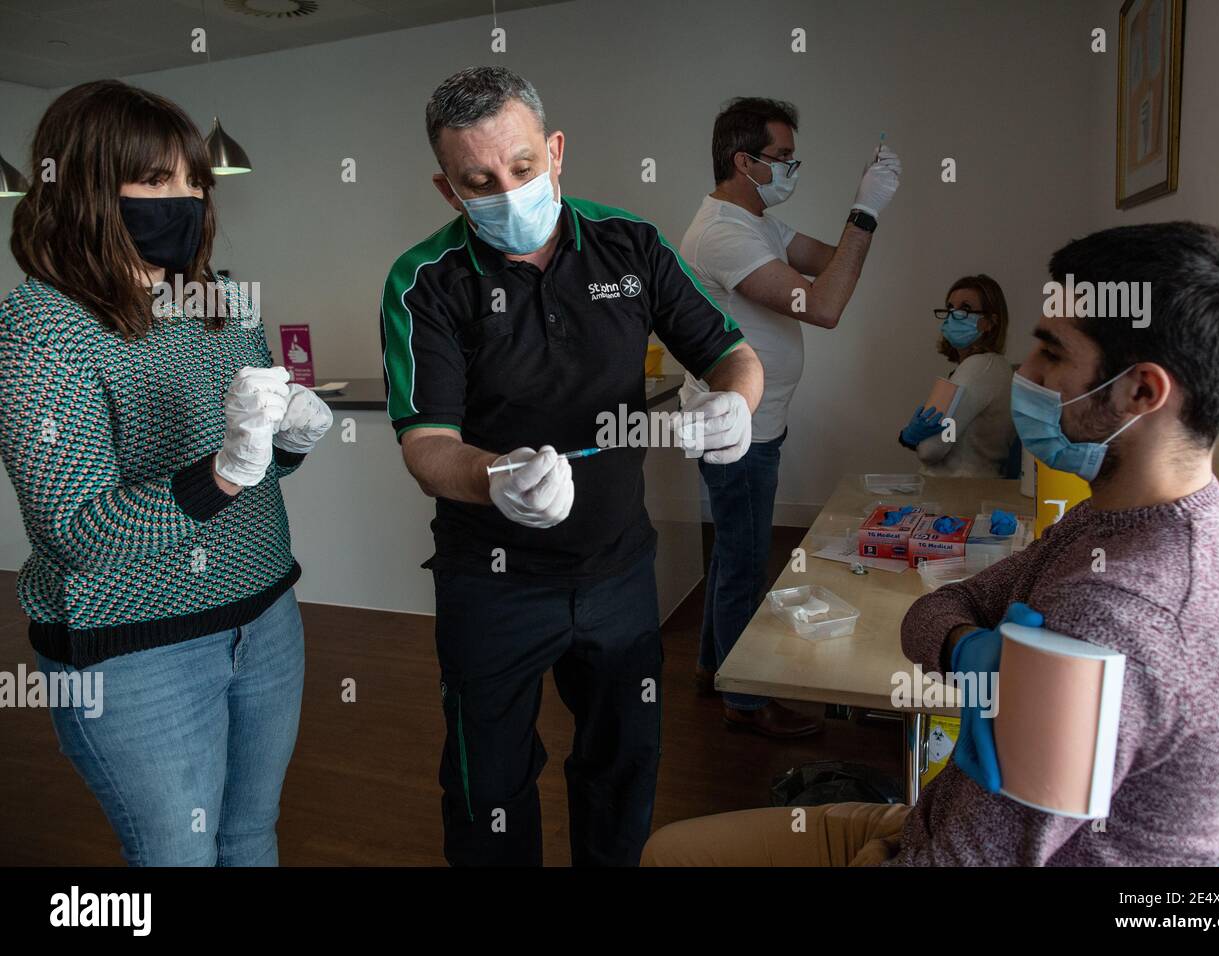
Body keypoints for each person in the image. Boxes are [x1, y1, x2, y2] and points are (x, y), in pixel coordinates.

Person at [641, 221, 1219, 866]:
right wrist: (972, 652)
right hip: (936, 820)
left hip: (947, 847)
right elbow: (937, 609)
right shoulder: (1134, 523)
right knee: (670, 851)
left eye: (1053, 353)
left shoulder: (1118, 610)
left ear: (1142, 391)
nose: (1026, 371)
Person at [379, 66, 763, 866]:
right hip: (491, 583)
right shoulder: (423, 283)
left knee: (624, 766)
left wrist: (737, 405)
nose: (507, 191)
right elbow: (427, 446)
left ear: (555, 151)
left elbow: (731, 353)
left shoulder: (630, 241)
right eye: (477, 180)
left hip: (620, 570)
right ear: (448, 191)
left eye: (521, 167)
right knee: (488, 784)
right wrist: (493, 477)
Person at [0, 80, 333, 866]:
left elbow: (250, 474)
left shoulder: (223, 301)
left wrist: (284, 445)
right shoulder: (42, 326)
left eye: (194, 182)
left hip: (264, 617)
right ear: (82, 186)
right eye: (155, 181)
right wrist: (221, 471)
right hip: (137, 648)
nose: (185, 200)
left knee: (252, 836)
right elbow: (77, 532)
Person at [679, 98, 901, 737]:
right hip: (737, 426)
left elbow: (834, 262)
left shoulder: (756, 225)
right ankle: (745, 701)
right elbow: (826, 306)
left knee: (732, 549)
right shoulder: (722, 232)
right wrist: (867, 210)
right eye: (781, 158)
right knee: (746, 560)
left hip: (758, 420)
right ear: (742, 160)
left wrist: (863, 219)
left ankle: (710, 667)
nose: (791, 169)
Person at [899, 274, 1016, 478]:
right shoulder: (993, 367)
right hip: (968, 489)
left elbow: (931, 450)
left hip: (958, 492)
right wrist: (911, 436)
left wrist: (910, 436)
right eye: (950, 307)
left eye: (966, 308)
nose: (953, 315)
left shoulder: (978, 367)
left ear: (990, 322)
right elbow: (953, 429)